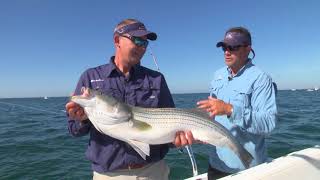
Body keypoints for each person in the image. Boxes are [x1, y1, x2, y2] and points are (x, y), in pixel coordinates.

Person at [65, 18, 193, 180]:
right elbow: (74, 131)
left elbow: (169, 128)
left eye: (145, 43)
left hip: (153, 172)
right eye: (137, 40)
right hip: (108, 175)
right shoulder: (90, 77)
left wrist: (177, 140)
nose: (142, 47)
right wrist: (81, 119)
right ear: (117, 40)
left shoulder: (156, 79)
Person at [197, 27, 277, 179]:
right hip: (216, 164)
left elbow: (268, 123)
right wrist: (202, 132)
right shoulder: (218, 75)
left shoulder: (261, 79)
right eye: (224, 47)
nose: (227, 52)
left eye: (233, 47)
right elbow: (212, 112)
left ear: (248, 49)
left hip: (247, 168)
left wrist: (230, 109)